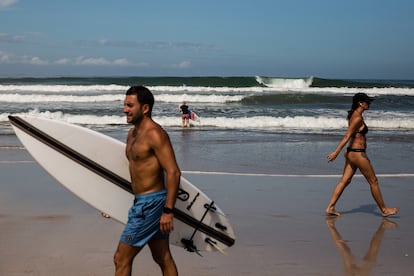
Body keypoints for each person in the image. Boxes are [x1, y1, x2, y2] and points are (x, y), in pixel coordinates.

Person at [114, 86, 181, 276]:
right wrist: (108, 200)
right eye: (125, 105)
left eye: (129, 105)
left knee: (121, 258)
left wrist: (168, 211)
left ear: (145, 108)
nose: (125, 109)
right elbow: (136, 174)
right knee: (162, 256)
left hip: (152, 204)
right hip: (141, 201)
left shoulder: (155, 134)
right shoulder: (132, 134)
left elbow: (173, 172)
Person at [325, 93, 399, 217]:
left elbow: (352, 136)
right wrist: (336, 152)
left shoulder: (354, 115)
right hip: (358, 154)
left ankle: (330, 207)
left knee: (345, 181)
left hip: (351, 153)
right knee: (373, 181)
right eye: (367, 102)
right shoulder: (357, 118)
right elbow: (347, 135)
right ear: (360, 103)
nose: (369, 104)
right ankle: (384, 210)